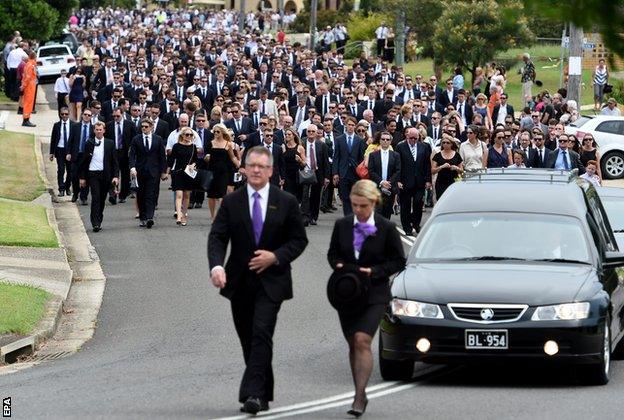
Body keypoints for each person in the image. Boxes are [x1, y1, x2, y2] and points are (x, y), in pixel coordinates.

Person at [208, 146, 308, 415]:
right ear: (243, 168)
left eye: (261, 166)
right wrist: (217, 266)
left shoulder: (285, 201)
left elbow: (299, 240)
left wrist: (275, 257)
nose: (255, 170)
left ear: (270, 171)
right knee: (248, 338)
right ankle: (261, 391)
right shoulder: (233, 201)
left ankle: (253, 393)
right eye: (251, 165)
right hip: (239, 281)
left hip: (272, 282)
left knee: (261, 332)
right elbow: (217, 237)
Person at [327, 179, 406, 418]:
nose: (358, 211)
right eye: (354, 205)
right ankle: (358, 387)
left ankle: (359, 394)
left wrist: (375, 272)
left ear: (373, 203)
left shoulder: (386, 228)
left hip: (374, 293)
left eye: (363, 206)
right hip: (348, 293)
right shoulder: (342, 225)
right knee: (353, 343)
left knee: (362, 340)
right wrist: (340, 265)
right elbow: (332, 254)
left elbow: (398, 261)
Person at [78, 122, 119, 232]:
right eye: (96, 129)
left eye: (100, 129)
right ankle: (95, 223)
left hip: (105, 175)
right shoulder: (89, 143)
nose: (98, 131)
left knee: (101, 199)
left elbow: (114, 162)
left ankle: (99, 218)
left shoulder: (110, 143)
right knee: (95, 198)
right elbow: (84, 161)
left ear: (104, 130)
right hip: (93, 174)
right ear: (94, 130)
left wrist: (115, 176)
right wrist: (82, 177)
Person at [129, 118, 168, 228]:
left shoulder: (158, 139)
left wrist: (164, 171)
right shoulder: (136, 139)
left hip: (153, 171)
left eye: (146, 126)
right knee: (141, 195)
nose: (144, 128)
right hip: (140, 171)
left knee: (151, 194)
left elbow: (162, 156)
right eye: (142, 127)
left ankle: (150, 217)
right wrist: (132, 167)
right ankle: (142, 217)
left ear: (151, 127)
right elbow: (132, 155)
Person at [395, 127, 432, 236]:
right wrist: (398, 180)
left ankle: (416, 223)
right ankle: (407, 227)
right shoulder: (400, 147)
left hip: (420, 181)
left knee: (418, 203)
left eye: (416, 138)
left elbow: (427, 164)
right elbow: (398, 165)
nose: (413, 140)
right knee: (405, 205)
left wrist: (428, 180)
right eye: (411, 138)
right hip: (405, 181)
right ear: (407, 136)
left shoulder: (424, 147)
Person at [205, 123, 240, 219]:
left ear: (222, 132)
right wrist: (207, 157)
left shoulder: (228, 144)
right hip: (212, 172)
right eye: (214, 131)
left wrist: (240, 166)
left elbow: (232, 158)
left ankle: (220, 217)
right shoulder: (210, 143)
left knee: (221, 195)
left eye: (217, 131)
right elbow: (206, 155)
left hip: (223, 172)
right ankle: (213, 217)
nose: (215, 133)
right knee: (211, 195)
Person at [333, 117, 366, 215]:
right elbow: (336, 157)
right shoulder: (339, 139)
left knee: (354, 196)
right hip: (343, 171)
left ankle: (354, 215)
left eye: (352, 125)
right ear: (345, 125)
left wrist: (362, 173)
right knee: (345, 196)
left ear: (355, 126)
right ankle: (348, 217)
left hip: (356, 172)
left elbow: (361, 158)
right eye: (349, 124)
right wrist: (335, 173)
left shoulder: (359, 140)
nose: (350, 127)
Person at [301, 124, 330, 226]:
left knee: (316, 195)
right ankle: (304, 216)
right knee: (305, 195)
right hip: (305, 172)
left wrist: (327, 177)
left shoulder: (321, 145)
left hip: (318, 172)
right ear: (306, 132)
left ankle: (313, 216)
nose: (311, 134)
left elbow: (325, 162)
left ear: (316, 133)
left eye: (313, 132)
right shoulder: (302, 143)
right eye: (309, 131)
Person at [367, 131, 401, 219]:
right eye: (383, 139)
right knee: (377, 212)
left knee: (387, 213)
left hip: (390, 188)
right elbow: (371, 171)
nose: (385, 141)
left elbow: (398, 171)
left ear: (390, 141)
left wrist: (388, 183)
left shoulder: (396, 155)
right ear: (380, 141)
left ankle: (384, 231)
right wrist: (382, 182)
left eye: (387, 139)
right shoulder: (373, 155)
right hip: (377, 187)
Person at [49, 107, 74, 197]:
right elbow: (53, 139)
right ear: (60, 114)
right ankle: (61, 189)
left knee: (70, 171)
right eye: (62, 114)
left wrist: (72, 152)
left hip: (69, 151)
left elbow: (74, 140)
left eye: (66, 114)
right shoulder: (57, 125)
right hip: (59, 150)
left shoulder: (73, 125)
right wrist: (51, 153)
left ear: (69, 114)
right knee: (61, 170)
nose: (64, 116)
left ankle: (67, 187)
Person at [431, 133, 463, 200]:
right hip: (440, 182)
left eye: (447, 143)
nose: (445, 144)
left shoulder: (457, 155)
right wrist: (441, 167)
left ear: (451, 144)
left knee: (453, 200)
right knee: (441, 200)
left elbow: (462, 171)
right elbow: (433, 171)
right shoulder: (438, 155)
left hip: (453, 182)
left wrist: (456, 168)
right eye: (443, 142)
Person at [282, 127, 306, 203]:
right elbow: (280, 162)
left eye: (289, 134)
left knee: (297, 198)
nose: (287, 136)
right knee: (287, 197)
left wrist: (300, 160)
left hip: (297, 175)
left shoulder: (300, 148)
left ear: (294, 135)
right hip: (286, 175)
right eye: (285, 134)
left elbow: (304, 164)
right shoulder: (283, 147)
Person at [20, 51, 37, 127]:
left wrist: (23, 85)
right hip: (29, 87)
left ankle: (27, 119)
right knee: (28, 103)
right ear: (35, 57)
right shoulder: (31, 65)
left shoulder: (29, 64)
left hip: (30, 86)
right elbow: (27, 77)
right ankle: (26, 120)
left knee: (29, 102)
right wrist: (23, 86)